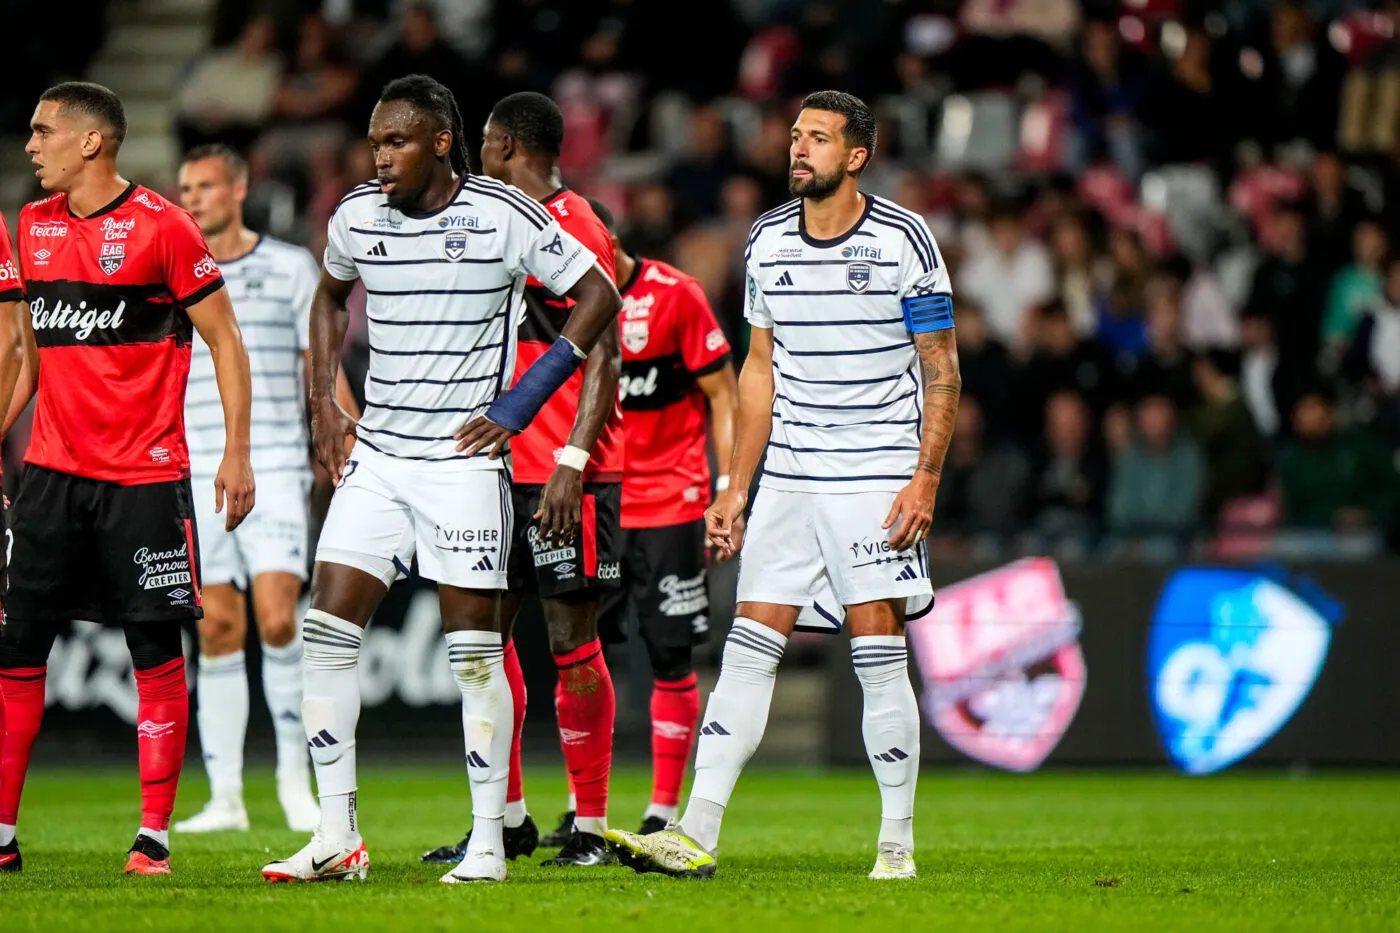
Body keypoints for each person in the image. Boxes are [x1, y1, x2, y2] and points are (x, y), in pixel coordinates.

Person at [260, 75, 621, 885]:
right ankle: (335, 835)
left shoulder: (503, 215)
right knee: (326, 633)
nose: (379, 156)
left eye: (396, 141)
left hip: (463, 465)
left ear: (442, 141)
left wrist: (525, 399)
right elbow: (327, 298)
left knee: (472, 654)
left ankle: (490, 841)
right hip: (379, 460)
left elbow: (599, 295)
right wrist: (323, 399)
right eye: (374, 141)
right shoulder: (355, 215)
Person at [604, 90, 960, 881]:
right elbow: (757, 369)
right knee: (748, 644)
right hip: (792, 471)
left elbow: (941, 369)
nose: (799, 149)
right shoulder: (765, 239)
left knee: (876, 648)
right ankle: (695, 831)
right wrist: (736, 484)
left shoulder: (905, 239)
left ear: (857, 156)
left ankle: (896, 842)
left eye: (819, 139)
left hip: (875, 471)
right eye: (796, 136)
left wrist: (925, 477)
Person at [0, 82, 256, 876]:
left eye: (44, 132)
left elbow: (225, 341)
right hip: (48, 475)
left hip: (143, 479)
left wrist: (236, 452)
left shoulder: (163, 228)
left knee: (153, 645)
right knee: (15, 648)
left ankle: (153, 837)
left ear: (90, 143)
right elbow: (26, 354)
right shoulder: (31, 227)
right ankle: (1, 834)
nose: (31, 145)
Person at [420, 91, 625, 870]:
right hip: (492, 468)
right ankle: (504, 820)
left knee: (572, 641)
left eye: (481, 147)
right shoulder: (499, 225)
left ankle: (594, 826)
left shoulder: (572, 221)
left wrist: (573, 461)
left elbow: (604, 355)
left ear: (503, 144)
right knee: (485, 639)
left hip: (561, 472)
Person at [172, 145, 360, 835]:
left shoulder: (287, 265)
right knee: (217, 627)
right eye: (184, 187)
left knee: (280, 617)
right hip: (192, 465)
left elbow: (323, 361)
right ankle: (225, 795)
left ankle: (292, 779)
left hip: (275, 461)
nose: (191, 198)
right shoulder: (171, 273)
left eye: (205, 186)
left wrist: (346, 430)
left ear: (239, 189)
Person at [597, 197, 738, 833]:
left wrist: (727, 486)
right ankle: (583, 813)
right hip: (596, 499)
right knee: (579, 654)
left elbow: (723, 392)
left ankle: (661, 810)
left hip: (672, 501)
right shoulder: (558, 299)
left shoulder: (675, 296)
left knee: (670, 653)